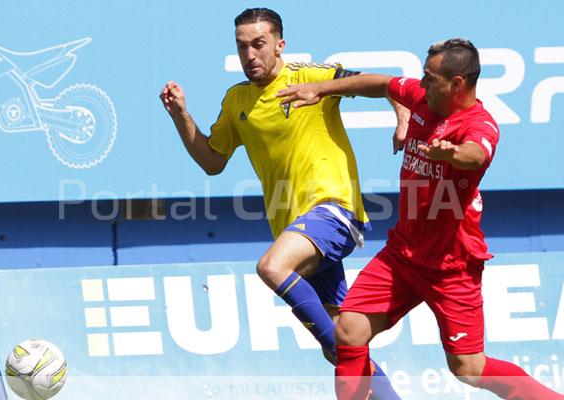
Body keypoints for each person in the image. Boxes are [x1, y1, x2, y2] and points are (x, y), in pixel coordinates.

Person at [277, 38, 564, 399]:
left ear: (457, 84)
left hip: (451, 265)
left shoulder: (479, 125)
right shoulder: (421, 99)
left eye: (430, 79)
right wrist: (321, 88)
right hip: (402, 255)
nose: (421, 84)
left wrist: (454, 154)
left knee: (468, 368)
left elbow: (476, 155)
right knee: (349, 330)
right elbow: (381, 83)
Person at [160, 7, 407, 400]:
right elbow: (212, 161)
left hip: (334, 210)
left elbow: (389, 84)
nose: (250, 55)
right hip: (293, 228)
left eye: (259, 44)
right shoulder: (237, 100)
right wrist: (180, 116)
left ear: (280, 44)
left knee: (273, 267)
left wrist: (403, 116)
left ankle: (342, 353)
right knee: (344, 339)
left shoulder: (310, 77)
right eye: (242, 47)